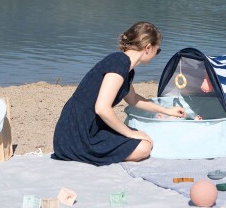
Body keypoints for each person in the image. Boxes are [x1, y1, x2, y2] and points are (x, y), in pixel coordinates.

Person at [52, 21, 186, 166]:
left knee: (143, 140)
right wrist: (130, 133)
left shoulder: (125, 67)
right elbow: (102, 109)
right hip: (77, 133)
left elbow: (133, 99)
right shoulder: (120, 62)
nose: (156, 55)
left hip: (86, 126)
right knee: (144, 147)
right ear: (148, 47)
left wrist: (166, 110)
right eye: (157, 50)